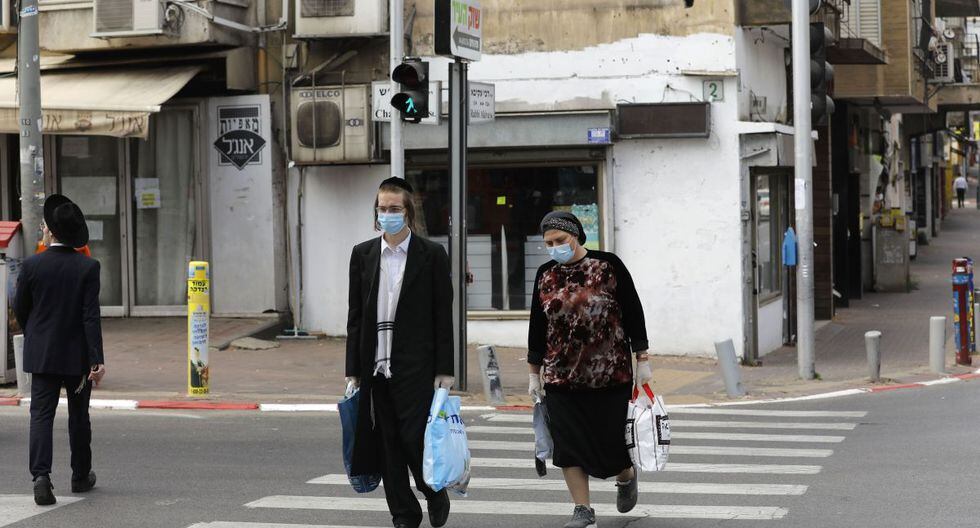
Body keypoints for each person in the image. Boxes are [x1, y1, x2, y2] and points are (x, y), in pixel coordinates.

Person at [528, 211, 651, 528]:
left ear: (576, 235)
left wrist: (642, 358)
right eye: (548, 243)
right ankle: (582, 510)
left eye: (559, 240)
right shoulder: (545, 274)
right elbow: (537, 325)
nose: (554, 247)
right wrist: (533, 372)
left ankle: (625, 475)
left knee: (612, 446)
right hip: (561, 377)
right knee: (568, 446)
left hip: (609, 375)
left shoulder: (608, 265)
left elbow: (633, 311)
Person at [345, 177, 454, 528]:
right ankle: (404, 515)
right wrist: (353, 370)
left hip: (416, 367)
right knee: (387, 445)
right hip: (375, 367)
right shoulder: (363, 254)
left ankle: (433, 491)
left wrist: (445, 369)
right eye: (382, 208)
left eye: (394, 208)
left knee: (413, 439)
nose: (387, 214)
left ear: (408, 212)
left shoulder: (431, 255)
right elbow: (355, 316)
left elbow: (443, 315)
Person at [14, 194, 105, 506]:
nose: (42, 229)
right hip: (77, 357)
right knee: (79, 416)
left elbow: (21, 308)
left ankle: (41, 477)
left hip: (42, 353)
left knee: (41, 415)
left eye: (44, 226)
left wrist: (36, 334)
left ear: (51, 232)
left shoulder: (32, 265)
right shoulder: (88, 267)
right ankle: (80, 475)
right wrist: (96, 359)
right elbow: (90, 316)